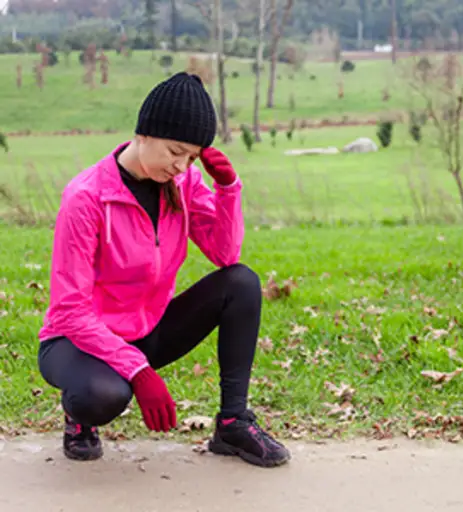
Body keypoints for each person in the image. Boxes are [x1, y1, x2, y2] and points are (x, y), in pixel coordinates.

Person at [37, 72, 291, 469]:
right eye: (176, 151)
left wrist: (228, 188)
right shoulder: (86, 197)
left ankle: (232, 424)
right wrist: (137, 372)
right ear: (145, 133)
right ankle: (78, 418)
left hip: (147, 330)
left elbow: (225, 254)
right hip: (77, 342)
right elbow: (70, 311)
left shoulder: (184, 182)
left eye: (192, 156)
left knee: (241, 282)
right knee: (102, 396)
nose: (182, 165)